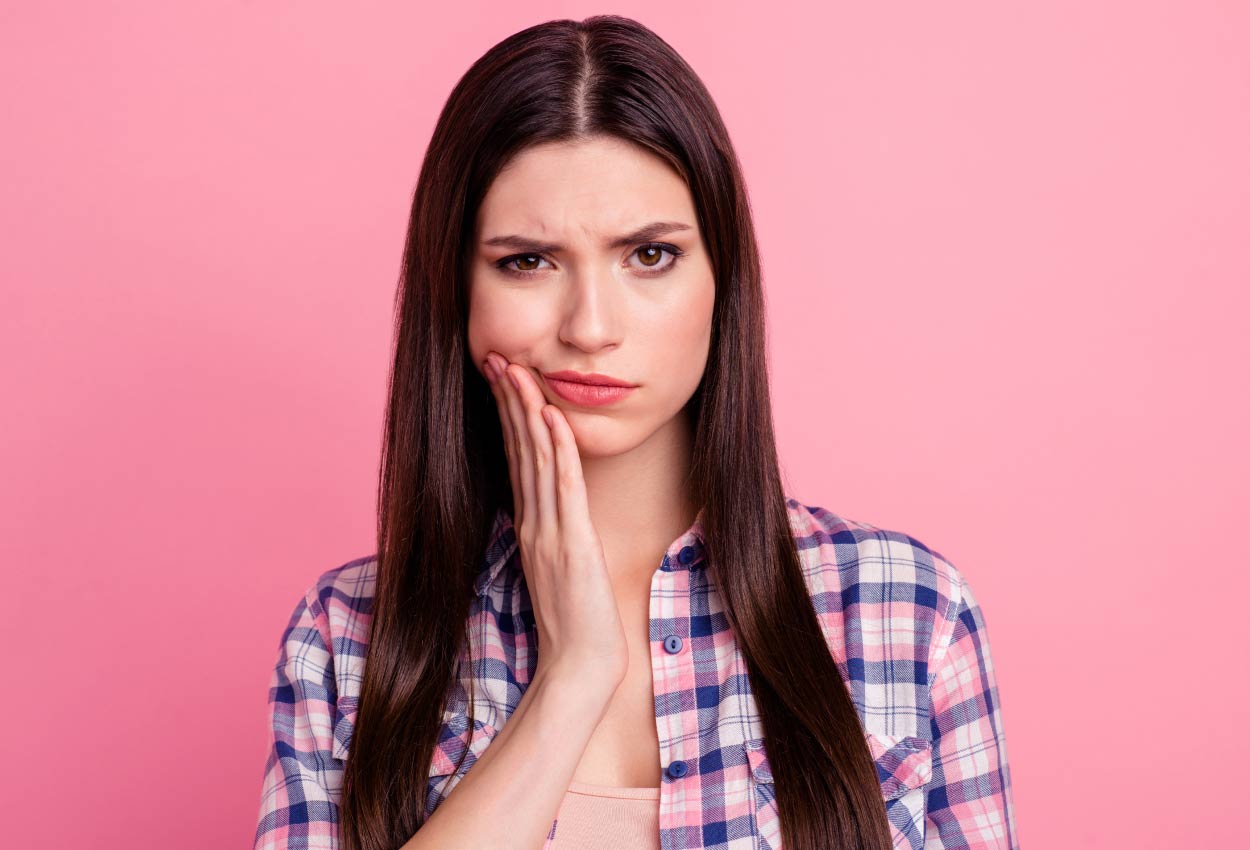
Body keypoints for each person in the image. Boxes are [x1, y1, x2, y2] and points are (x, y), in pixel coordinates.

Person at [252, 14, 1019, 850]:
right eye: (527, 260)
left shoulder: (904, 612)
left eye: (648, 255)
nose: (590, 326)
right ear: (458, 296)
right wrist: (574, 676)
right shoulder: (345, 640)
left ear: (722, 281)